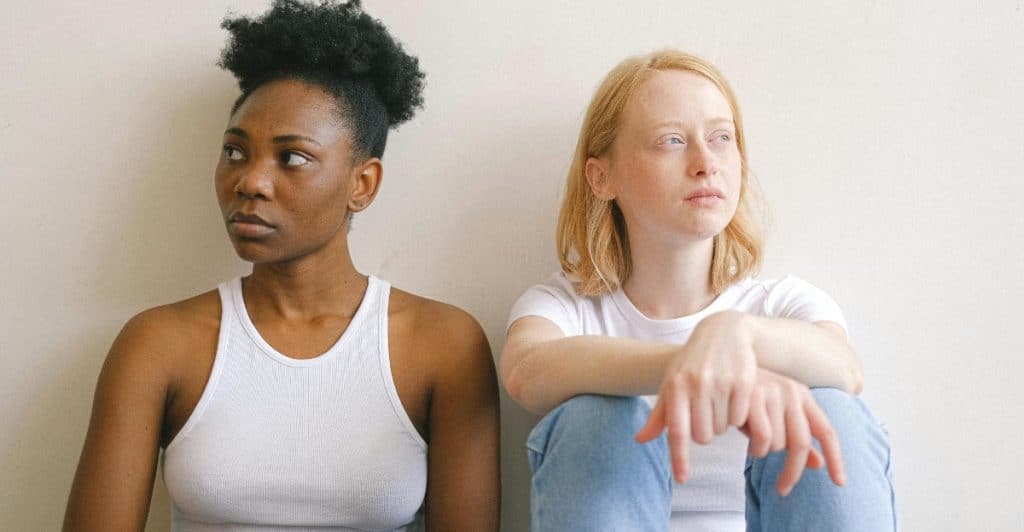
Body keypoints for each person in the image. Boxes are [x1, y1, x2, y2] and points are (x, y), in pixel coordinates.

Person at [63, 1, 500, 530]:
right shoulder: (157, 344)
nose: (249, 182)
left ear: (362, 184)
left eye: (292, 157)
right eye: (234, 152)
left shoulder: (444, 345)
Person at [500, 49, 897, 531]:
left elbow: (846, 369)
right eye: (671, 141)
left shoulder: (781, 305)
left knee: (830, 409)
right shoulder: (565, 308)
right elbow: (526, 370)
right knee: (594, 418)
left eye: (721, 138)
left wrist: (738, 336)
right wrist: (690, 365)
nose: (705, 163)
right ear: (602, 177)